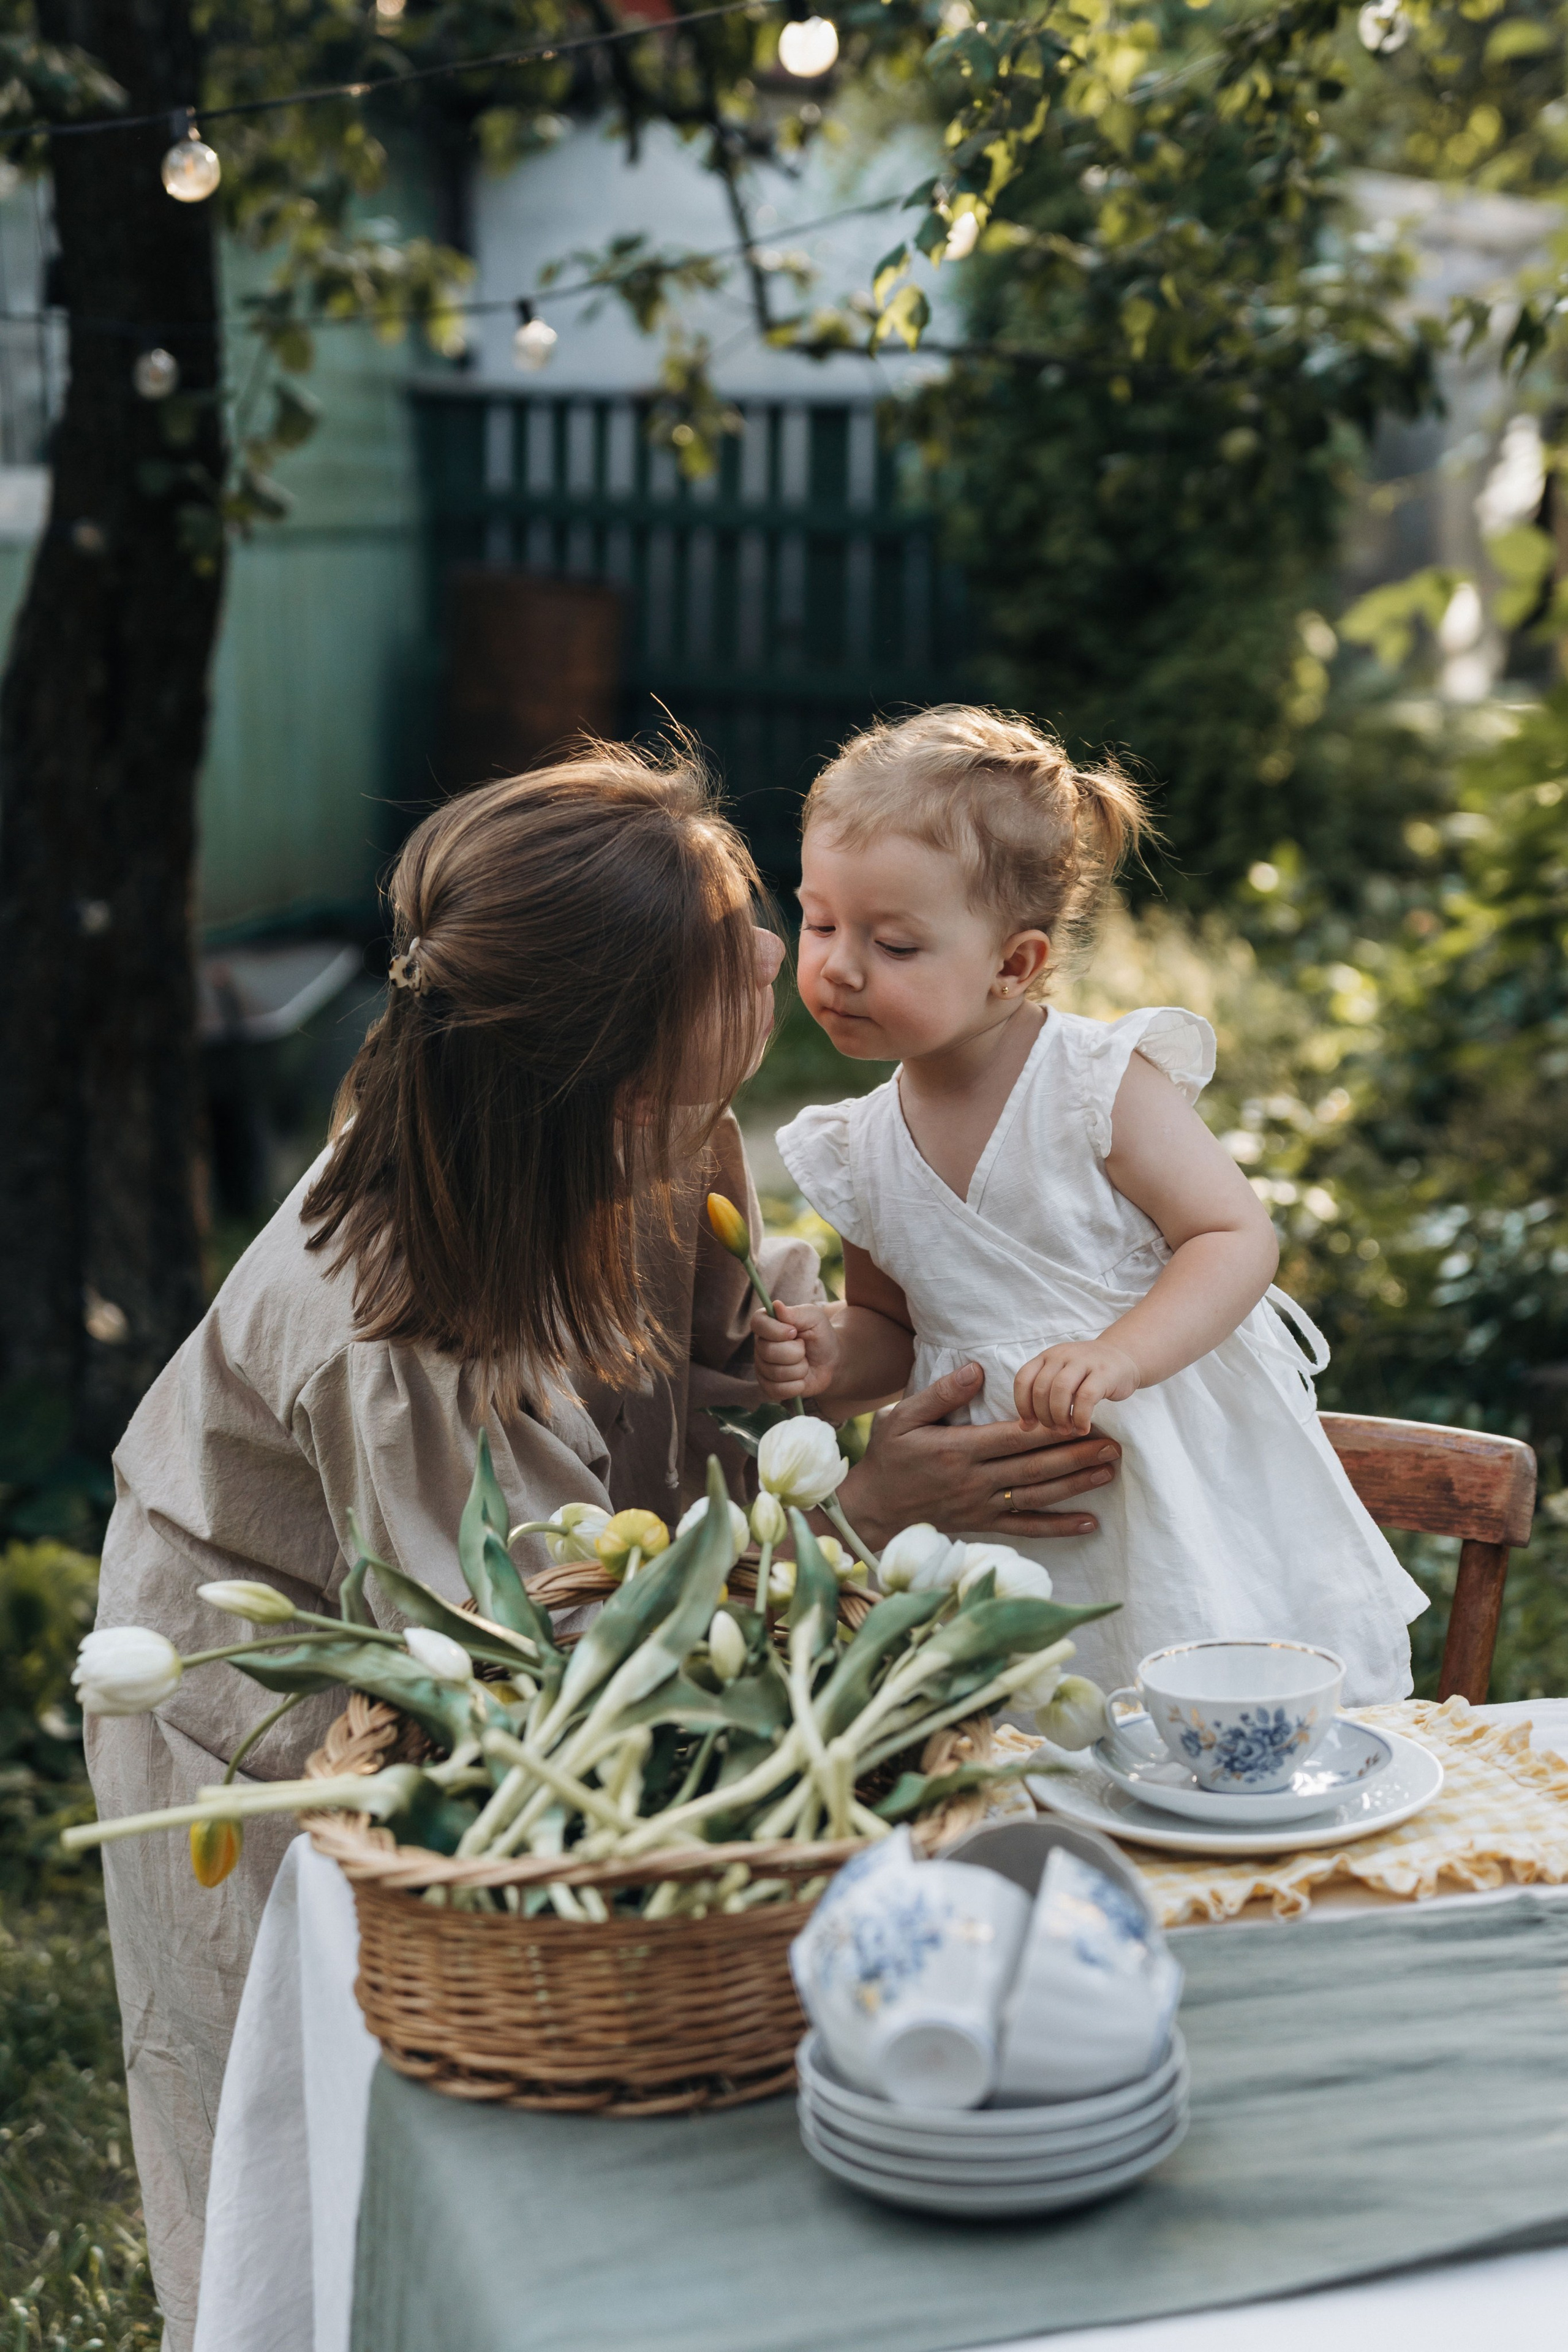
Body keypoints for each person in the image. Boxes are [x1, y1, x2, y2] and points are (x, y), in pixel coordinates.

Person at [86, 741, 1121, 2349]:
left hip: (505, 1608)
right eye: (732, 953)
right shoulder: (400, 1335)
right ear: (616, 1081)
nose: (781, 949)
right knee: (301, 2108)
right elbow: (540, 1681)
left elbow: (697, 1368)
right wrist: (868, 1518)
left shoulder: (644, 1129)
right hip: (277, 1697)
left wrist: (797, 1338)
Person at [753, 707, 1427, 1702]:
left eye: (894, 944)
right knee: (1033, 1729)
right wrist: (832, 1355)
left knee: (1198, 1695)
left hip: (1157, 1481)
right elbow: (900, 1330)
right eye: (818, 923)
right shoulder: (864, 1148)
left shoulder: (1091, 1084)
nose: (840, 966)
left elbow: (1232, 1236)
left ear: (1014, 966)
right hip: (994, 1511)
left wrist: (1121, 1354)